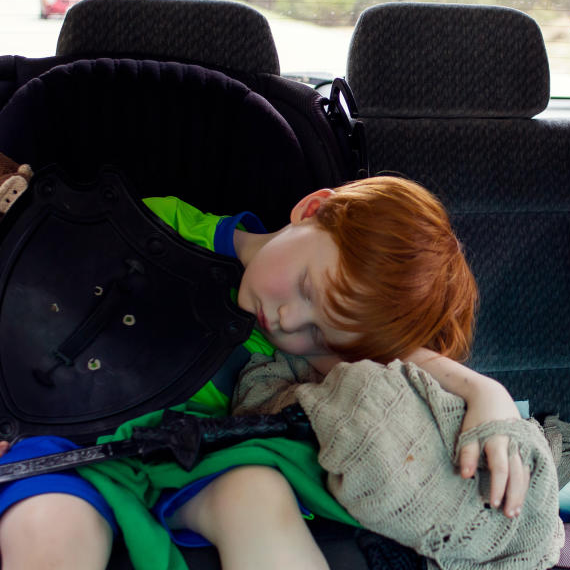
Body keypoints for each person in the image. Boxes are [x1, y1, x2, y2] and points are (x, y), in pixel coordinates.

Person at [0, 175, 529, 570]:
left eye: (321, 335)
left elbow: (398, 364)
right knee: (47, 521)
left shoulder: (300, 347)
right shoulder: (156, 228)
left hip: (188, 457)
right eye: (304, 287)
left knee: (256, 491)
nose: (288, 320)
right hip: (60, 440)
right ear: (312, 209)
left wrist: (485, 390)